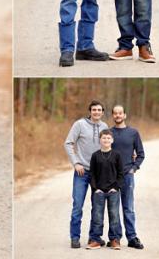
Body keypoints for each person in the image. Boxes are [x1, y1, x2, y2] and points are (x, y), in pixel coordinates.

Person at [64, 100, 109, 249]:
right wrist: (76, 162)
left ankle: (94, 237)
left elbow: (109, 146)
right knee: (78, 205)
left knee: (97, 206)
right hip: (82, 172)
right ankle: (75, 237)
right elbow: (68, 143)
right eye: (94, 110)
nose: (96, 112)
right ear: (90, 111)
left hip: (99, 173)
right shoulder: (79, 124)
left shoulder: (104, 127)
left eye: (99, 110)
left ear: (102, 112)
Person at [110, 105, 145, 249]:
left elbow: (141, 154)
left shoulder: (133, 133)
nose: (118, 115)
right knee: (113, 208)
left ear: (124, 115)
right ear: (113, 116)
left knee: (128, 207)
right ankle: (115, 238)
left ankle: (131, 237)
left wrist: (134, 168)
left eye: (120, 113)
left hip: (127, 176)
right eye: (115, 113)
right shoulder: (108, 133)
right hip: (111, 177)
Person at [86, 129, 123, 250]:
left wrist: (116, 187)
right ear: (100, 140)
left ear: (112, 140)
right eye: (103, 138)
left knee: (114, 215)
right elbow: (92, 174)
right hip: (99, 191)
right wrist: (95, 189)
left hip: (113, 191)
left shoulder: (117, 155)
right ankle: (95, 240)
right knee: (97, 216)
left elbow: (121, 174)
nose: (106, 140)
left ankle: (114, 239)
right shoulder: (95, 155)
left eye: (108, 138)